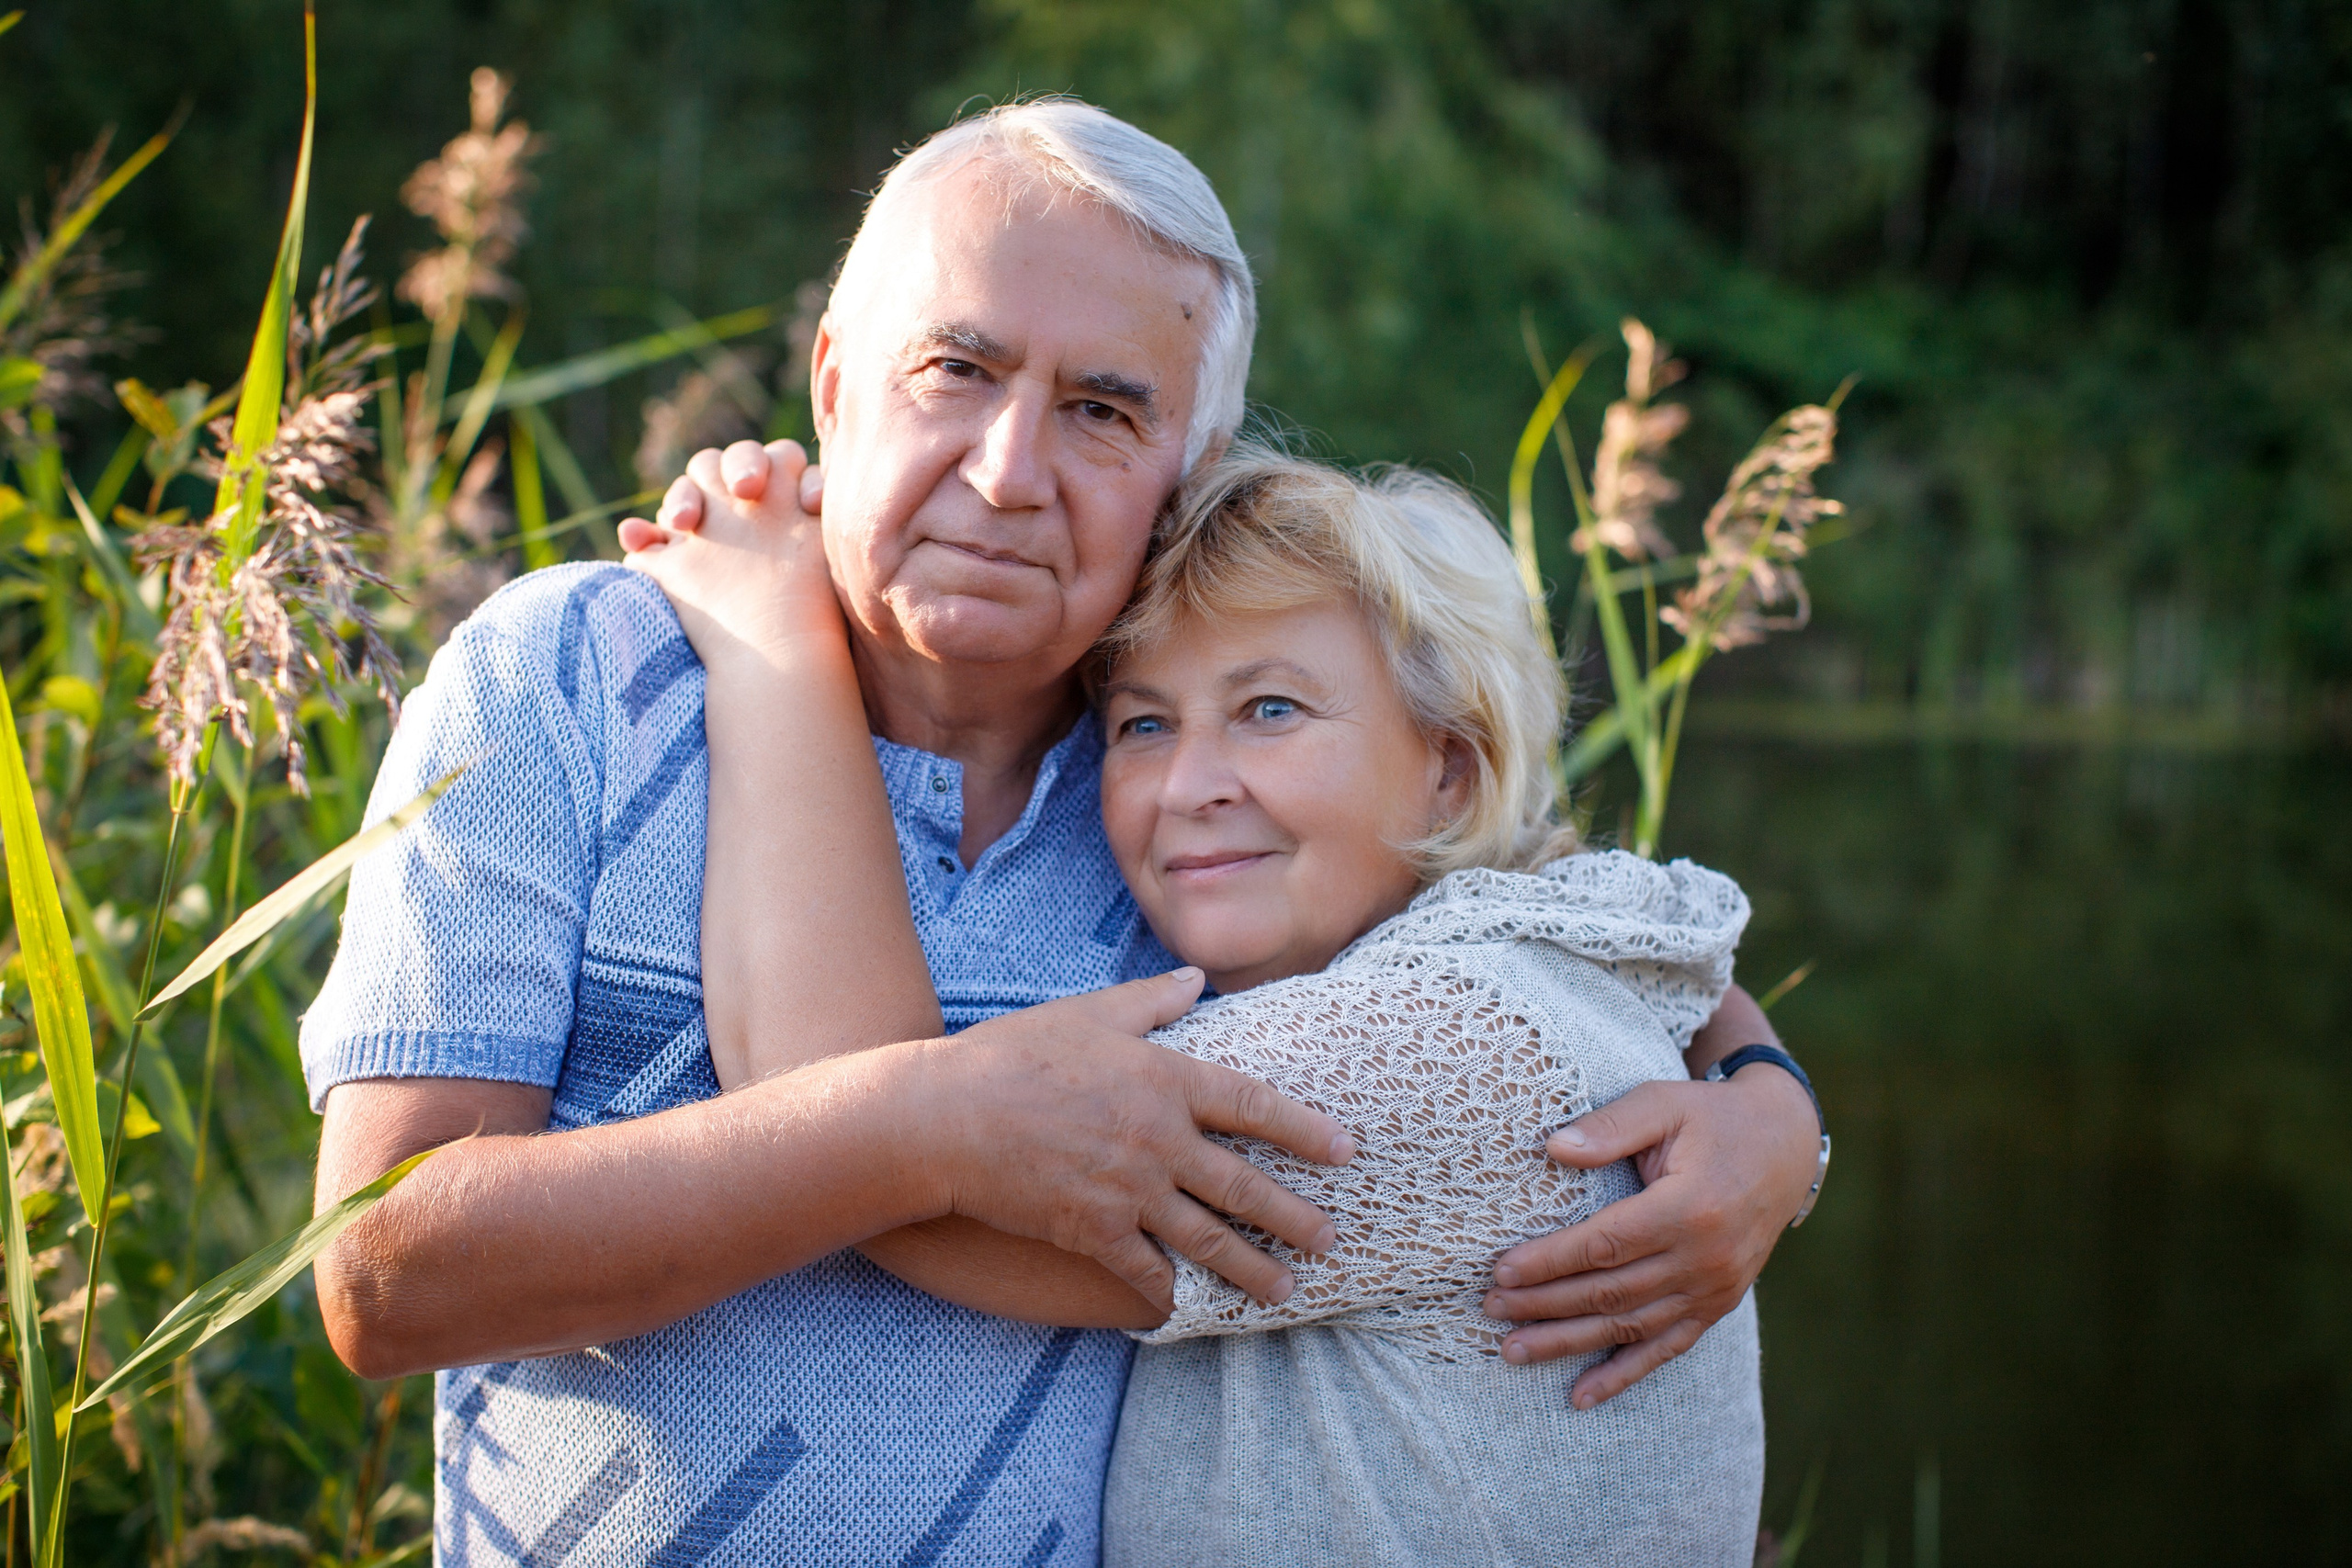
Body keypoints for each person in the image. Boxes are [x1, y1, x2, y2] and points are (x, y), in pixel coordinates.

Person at [305, 99, 1822, 1563]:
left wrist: (1766, 1106)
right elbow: (384, 1276)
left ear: (1187, 472)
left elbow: (1528, 914)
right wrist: (928, 1123)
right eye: (955, 369)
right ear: (833, 384)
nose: (1008, 471)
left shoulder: (1183, 790)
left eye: (1103, 410)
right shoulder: (562, 679)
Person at [631, 446, 1777, 1566]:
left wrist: (771, 644)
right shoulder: (1541, 963)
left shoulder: (1442, 1046)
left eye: (1270, 709)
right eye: (1143, 724)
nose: (1187, 786)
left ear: (1451, 768)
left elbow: (850, 1130)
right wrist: (1779, 1097)